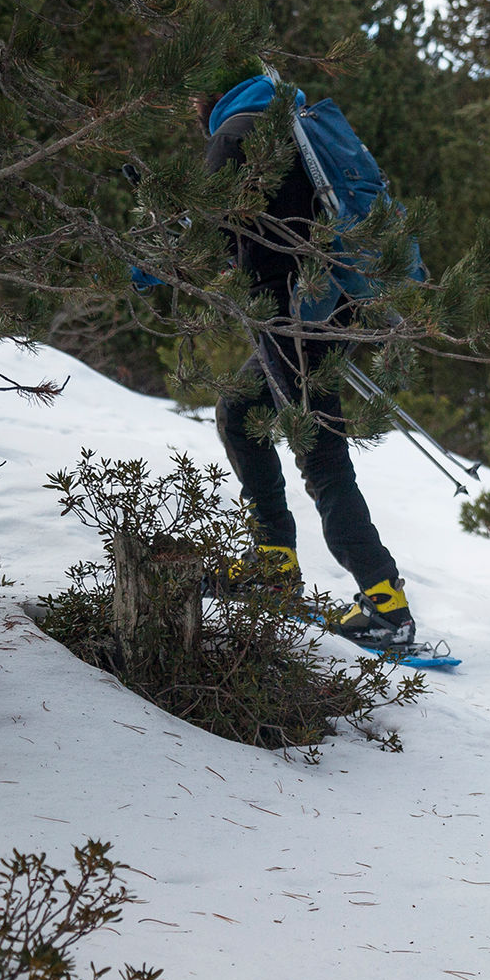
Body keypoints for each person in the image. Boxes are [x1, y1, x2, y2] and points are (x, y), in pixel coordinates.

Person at [197, 73, 416, 648]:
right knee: (241, 411)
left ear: (205, 97)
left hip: (293, 315)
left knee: (320, 456)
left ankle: (385, 603)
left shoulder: (236, 133)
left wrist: (142, 269)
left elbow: (201, 232)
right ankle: (274, 566)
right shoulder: (293, 126)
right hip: (327, 306)